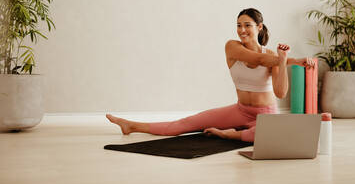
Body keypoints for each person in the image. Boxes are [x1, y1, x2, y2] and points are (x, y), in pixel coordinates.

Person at [106, 8, 315, 142]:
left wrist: (282, 58)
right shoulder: (232, 47)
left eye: (247, 25)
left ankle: (226, 134)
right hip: (240, 111)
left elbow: (280, 93)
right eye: (239, 25)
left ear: (259, 27)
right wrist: (294, 61)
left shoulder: (272, 56)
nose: (242, 30)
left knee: (264, 136)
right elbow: (256, 60)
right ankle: (131, 125)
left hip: (265, 113)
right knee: (185, 123)